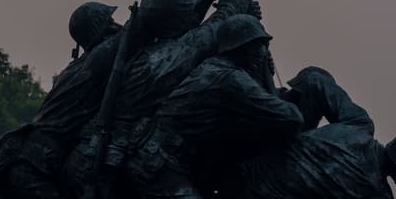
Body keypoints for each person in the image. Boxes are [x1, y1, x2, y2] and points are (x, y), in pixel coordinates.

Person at [0, 0, 222, 199]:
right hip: (33, 169)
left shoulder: (84, 65)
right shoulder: (99, 61)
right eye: (112, 21)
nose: (118, 23)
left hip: (35, 164)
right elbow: (146, 16)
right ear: (104, 28)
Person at [61, 0, 255, 199]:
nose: (194, 16)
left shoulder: (139, 53)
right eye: (189, 13)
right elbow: (224, 18)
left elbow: (164, 9)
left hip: (105, 157)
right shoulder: (168, 57)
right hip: (131, 162)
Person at [125, 14, 304, 198]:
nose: (262, 52)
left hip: (160, 155)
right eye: (258, 46)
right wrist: (265, 77)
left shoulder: (212, 67)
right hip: (158, 163)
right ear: (243, 49)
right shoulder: (231, 79)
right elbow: (290, 117)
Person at [225, 68, 396, 199]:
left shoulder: (359, 124)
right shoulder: (377, 194)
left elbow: (314, 79)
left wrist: (296, 120)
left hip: (243, 172)